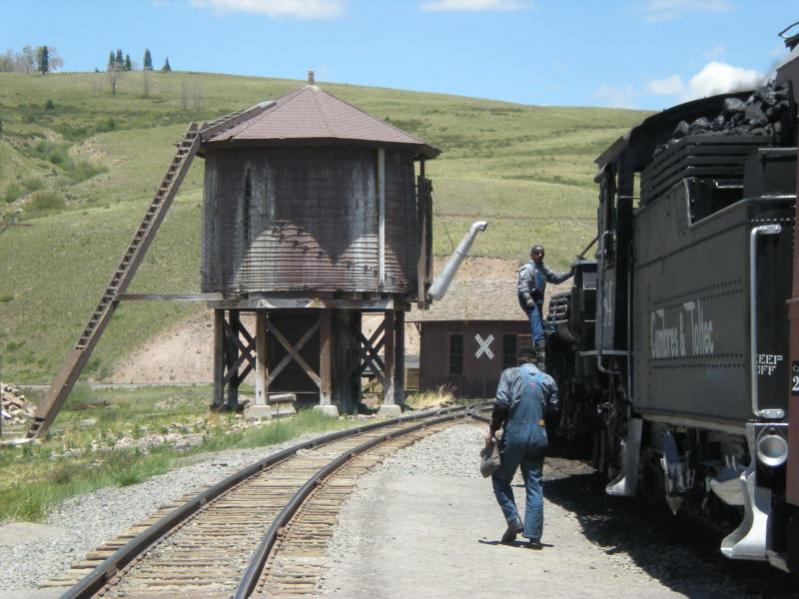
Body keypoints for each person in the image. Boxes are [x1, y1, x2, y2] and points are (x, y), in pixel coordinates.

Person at [487, 346, 559, 549]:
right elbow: (554, 411)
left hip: (515, 435)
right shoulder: (548, 380)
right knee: (534, 483)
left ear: (518, 359)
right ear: (535, 361)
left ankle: (513, 520)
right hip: (539, 435)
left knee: (500, 478)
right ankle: (534, 536)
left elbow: (501, 404)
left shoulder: (510, 374)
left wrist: (493, 429)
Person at [517, 244, 573, 354]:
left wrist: (570, 273)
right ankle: (539, 343)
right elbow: (522, 286)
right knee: (535, 316)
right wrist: (528, 299)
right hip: (528, 298)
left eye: (542, 253)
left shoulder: (543, 269)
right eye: (537, 253)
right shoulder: (528, 268)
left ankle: (543, 339)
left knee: (540, 320)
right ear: (531, 255)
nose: (540, 255)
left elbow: (556, 279)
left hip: (538, 299)